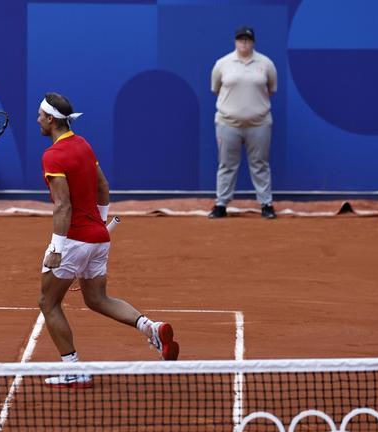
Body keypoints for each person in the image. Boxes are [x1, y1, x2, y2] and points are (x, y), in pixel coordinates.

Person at [36, 92, 180, 389]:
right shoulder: (83, 145)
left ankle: (72, 369)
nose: (37, 119)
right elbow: (103, 186)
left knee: (48, 303)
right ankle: (150, 328)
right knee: (97, 298)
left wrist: (57, 250)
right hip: (99, 239)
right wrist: (100, 222)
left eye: (40, 115)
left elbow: (62, 206)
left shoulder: (53, 155)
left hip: (73, 240)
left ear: (51, 120)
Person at [208, 26, 278, 220]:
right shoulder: (223, 63)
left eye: (247, 40)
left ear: (253, 42)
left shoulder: (266, 64)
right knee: (226, 165)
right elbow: (216, 88)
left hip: (259, 124)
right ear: (235, 41)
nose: (244, 43)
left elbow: (271, 89)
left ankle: (266, 204)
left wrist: (253, 108)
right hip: (227, 123)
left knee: (260, 164)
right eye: (240, 40)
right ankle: (221, 205)